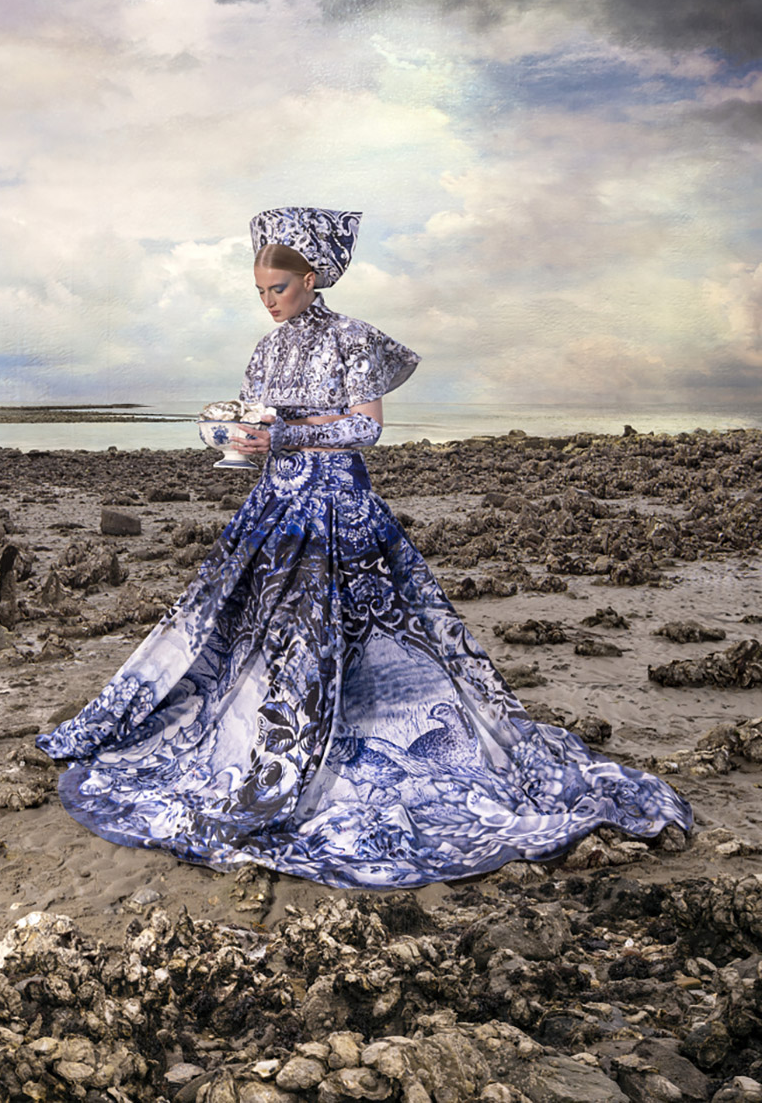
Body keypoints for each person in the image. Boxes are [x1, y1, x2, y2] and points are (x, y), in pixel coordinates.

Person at [35, 206, 692, 890]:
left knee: (358, 638)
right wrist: (242, 441)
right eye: (259, 291)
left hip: (341, 506)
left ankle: (356, 746)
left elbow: (366, 427)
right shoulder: (264, 351)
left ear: (313, 277)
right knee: (250, 632)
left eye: (278, 289)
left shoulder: (352, 340)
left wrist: (288, 435)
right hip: (276, 505)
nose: (268, 302)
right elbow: (255, 422)